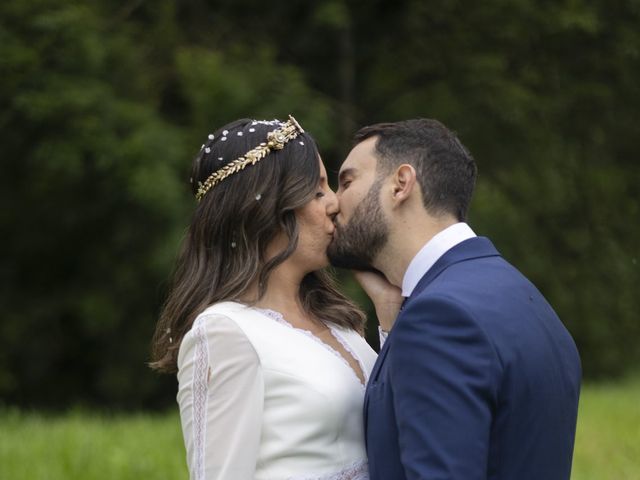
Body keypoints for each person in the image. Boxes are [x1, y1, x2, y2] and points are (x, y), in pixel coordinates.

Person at [327, 119, 582, 480]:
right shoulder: (521, 295)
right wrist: (391, 315)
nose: (333, 203)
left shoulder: (439, 317)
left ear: (401, 184)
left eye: (347, 181)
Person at [150, 116, 383, 480]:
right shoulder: (224, 332)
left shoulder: (338, 322)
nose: (335, 203)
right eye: (318, 190)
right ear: (266, 209)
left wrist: (388, 307)